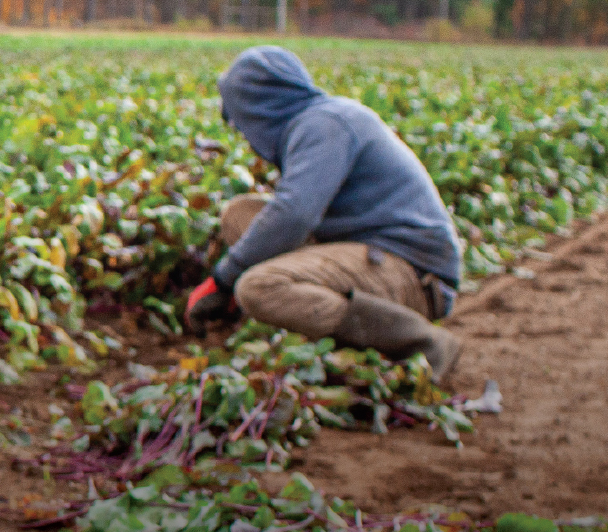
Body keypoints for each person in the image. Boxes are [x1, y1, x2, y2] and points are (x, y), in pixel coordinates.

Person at [185, 46, 463, 381]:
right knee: (239, 214)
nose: (244, 135)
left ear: (259, 109)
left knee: (258, 288)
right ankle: (305, 314)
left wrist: (223, 281)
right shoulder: (314, 120)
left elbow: (294, 215)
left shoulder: (324, 125)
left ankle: (424, 345)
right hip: (367, 247)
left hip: (411, 272)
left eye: (242, 121)